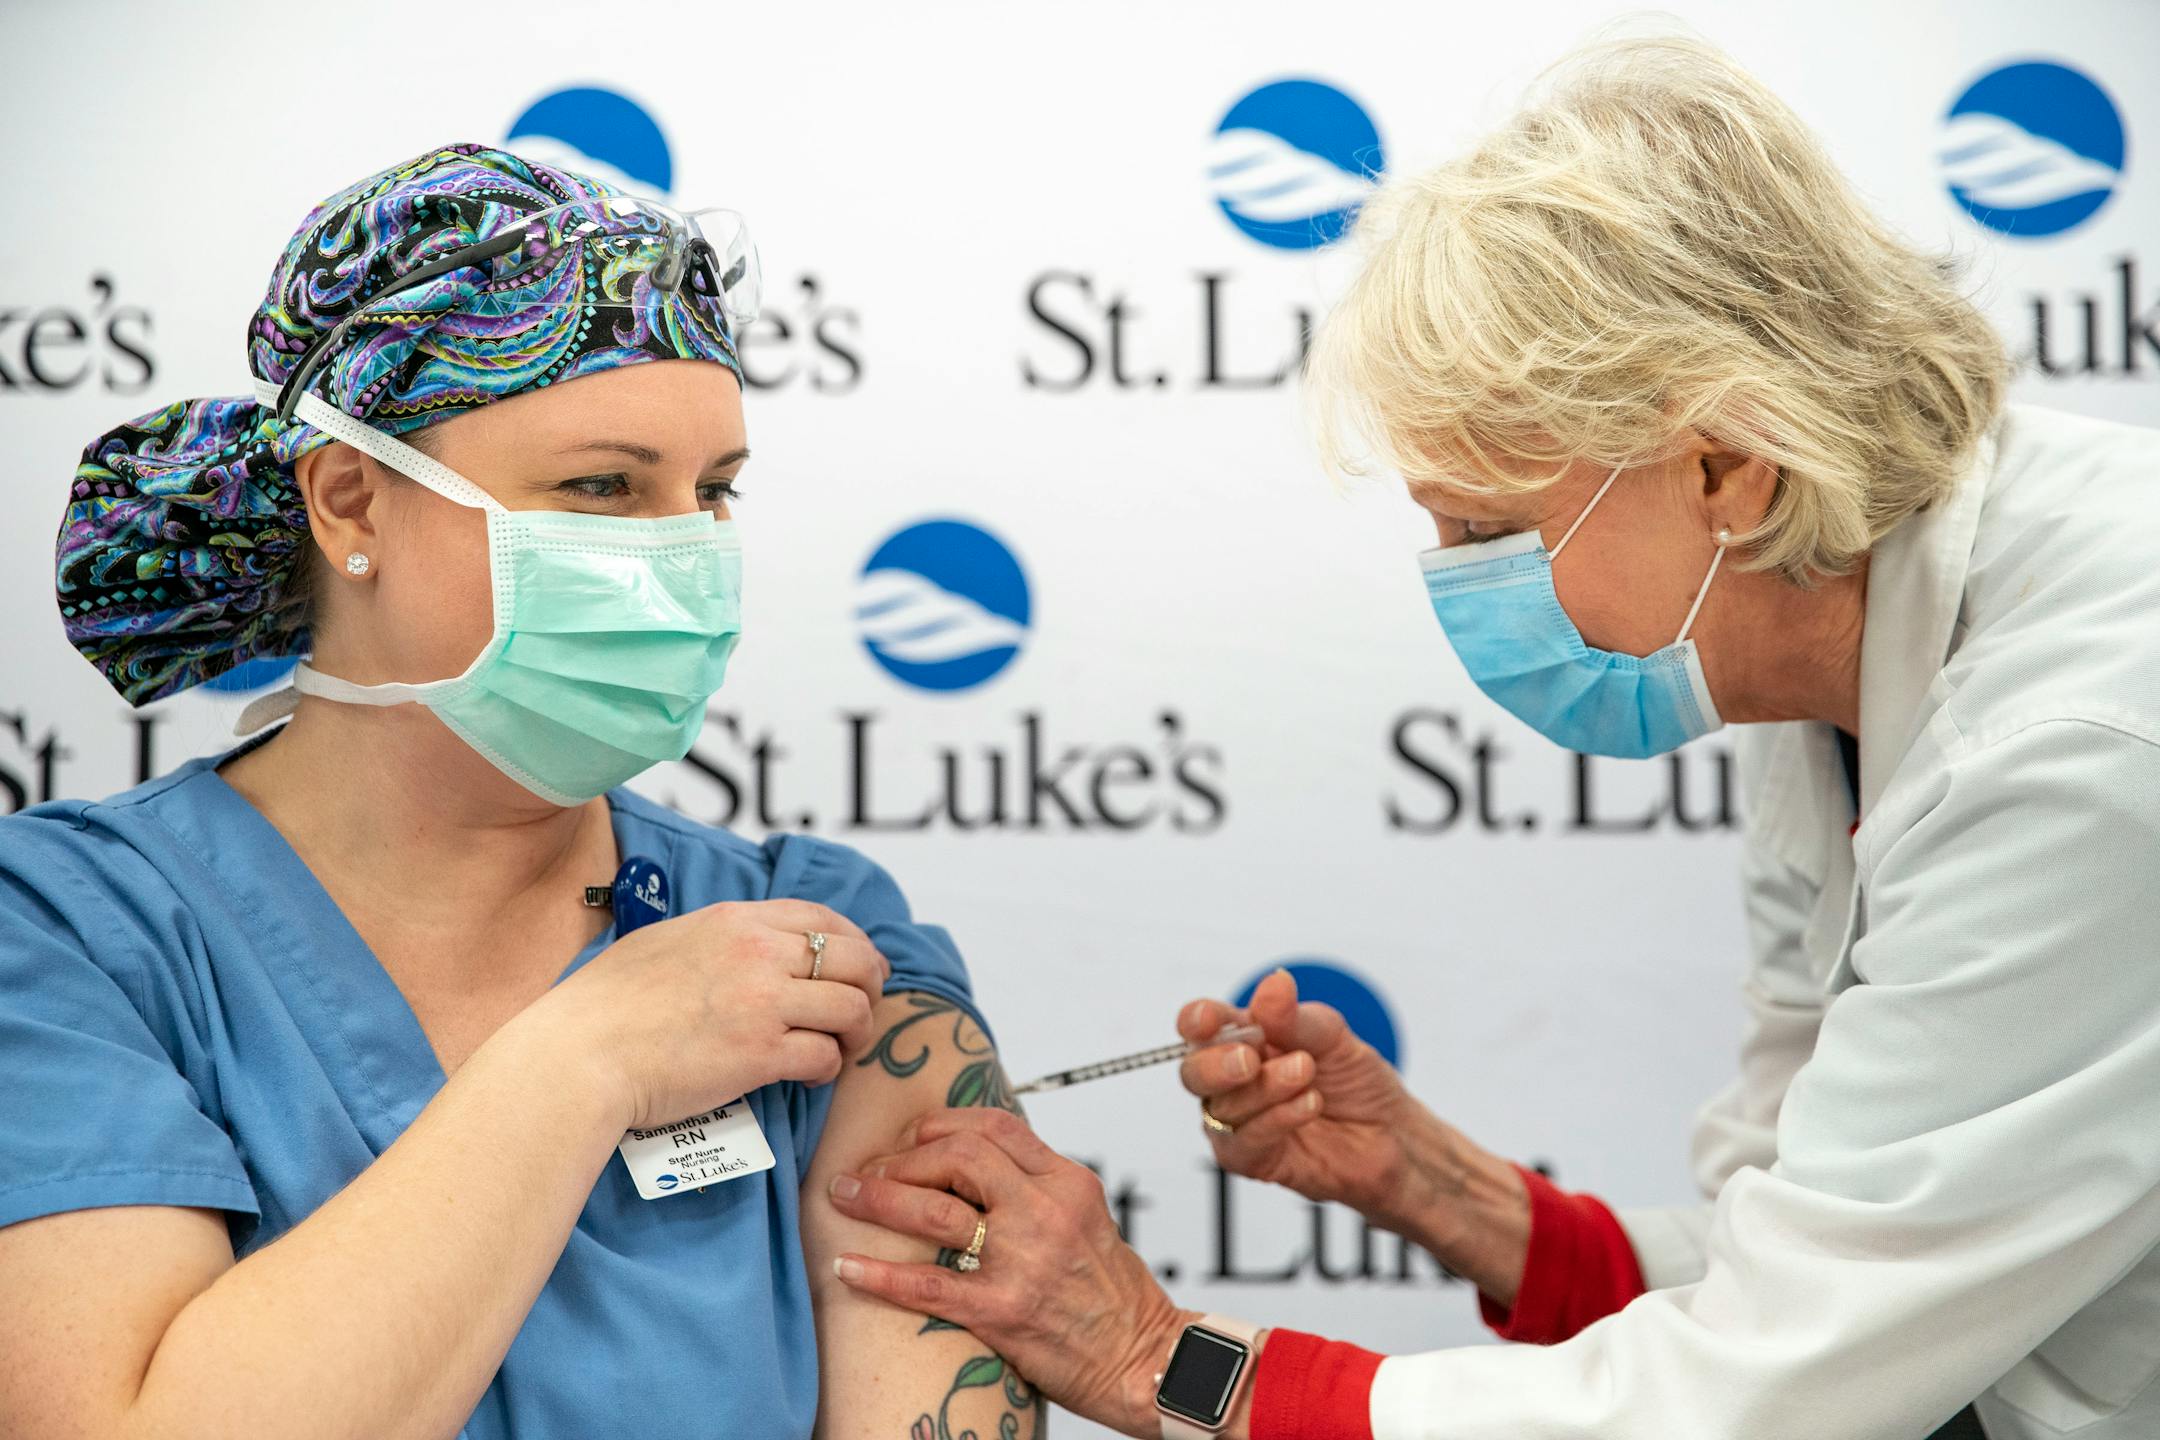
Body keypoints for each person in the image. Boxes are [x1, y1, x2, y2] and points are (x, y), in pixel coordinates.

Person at [820, 34, 2160, 1440]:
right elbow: (1814, 1251)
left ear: (1726, 467)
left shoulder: (2071, 746)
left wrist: (1162, 1359)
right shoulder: (1818, 637)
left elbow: (1773, 1390)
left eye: (1488, 532)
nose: (1462, 588)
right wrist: (1436, 1186)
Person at [0, 143, 1044, 1440]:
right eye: (601, 487)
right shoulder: (69, 938)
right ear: (348, 501)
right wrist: (585, 1056)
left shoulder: (821, 946)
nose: (682, 555)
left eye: (713, 492)